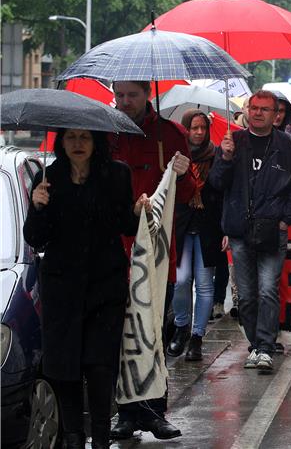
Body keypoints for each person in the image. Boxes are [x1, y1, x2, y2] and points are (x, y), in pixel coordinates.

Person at [24, 128, 146, 449]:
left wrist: (136, 211)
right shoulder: (48, 178)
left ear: (96, 142)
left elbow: (126, 226)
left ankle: (102, 439)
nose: (78, 144)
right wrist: (37, 207)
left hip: (105, 287)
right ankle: (75, 439)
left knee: (100, 365)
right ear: (61, 142)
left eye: (85, 138)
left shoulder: (116, 174)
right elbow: (36, 238)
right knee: (65, 368)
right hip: (62, 291)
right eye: (71, 138)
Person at [109, 80, 195, 441]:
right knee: (120, 334)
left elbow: (188, 194)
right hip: (114, 249)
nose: (125, 101)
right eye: (120, 95)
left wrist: (181, 173)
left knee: (153, 332)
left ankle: (155, 410)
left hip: (157, 254)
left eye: (132, 95)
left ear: (147, 94)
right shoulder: (106, 131)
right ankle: (124, 412)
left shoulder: (170, 134)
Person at [209, 90, 291, 371]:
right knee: (248, 296)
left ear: (276, 114)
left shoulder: (285, 145)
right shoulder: (233, 141)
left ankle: (264, 346)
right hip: (240, 232)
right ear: (247, 110)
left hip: (271, 232)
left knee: (267, 290)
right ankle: (256, 344)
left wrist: (283, 220)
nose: (259, 113)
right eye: (254, 108)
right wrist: (225, 158)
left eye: (265, 109)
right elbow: (216, 184)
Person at [168, 110, 227, 361]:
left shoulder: (217, 156)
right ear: (186, 130)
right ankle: (181, 326)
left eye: (203, 128)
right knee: (181, 281)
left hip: (208, 227)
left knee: (204, 285)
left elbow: (223, 189)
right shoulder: (176, 156)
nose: (199, 133)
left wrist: (226, 229)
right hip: (181, 227)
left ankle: (197, 337)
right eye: (194, 128)